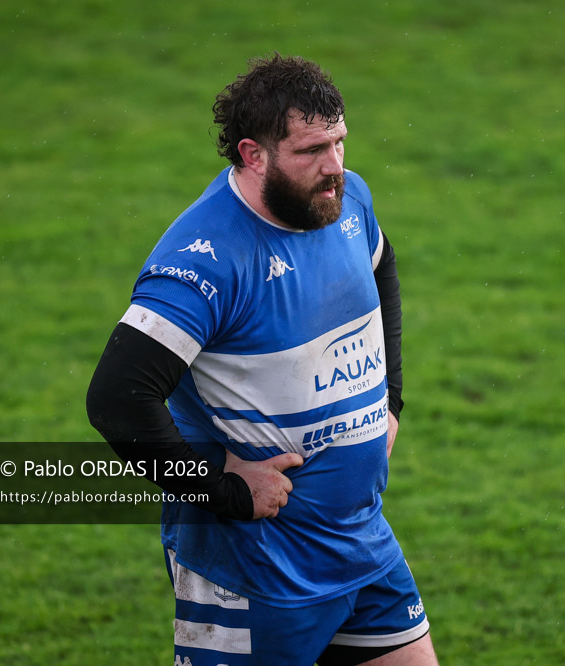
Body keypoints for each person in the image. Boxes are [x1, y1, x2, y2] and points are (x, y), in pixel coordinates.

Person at [86, 54, 438, 665]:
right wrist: (220, 489)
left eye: (339, 142)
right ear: (253, 155)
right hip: (255, 572)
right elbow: (117, 398)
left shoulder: (345, 202)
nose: (335, 168)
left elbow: (381, 268)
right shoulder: (206, 259)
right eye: (310, 152)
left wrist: (390, 400)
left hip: (361, 543)